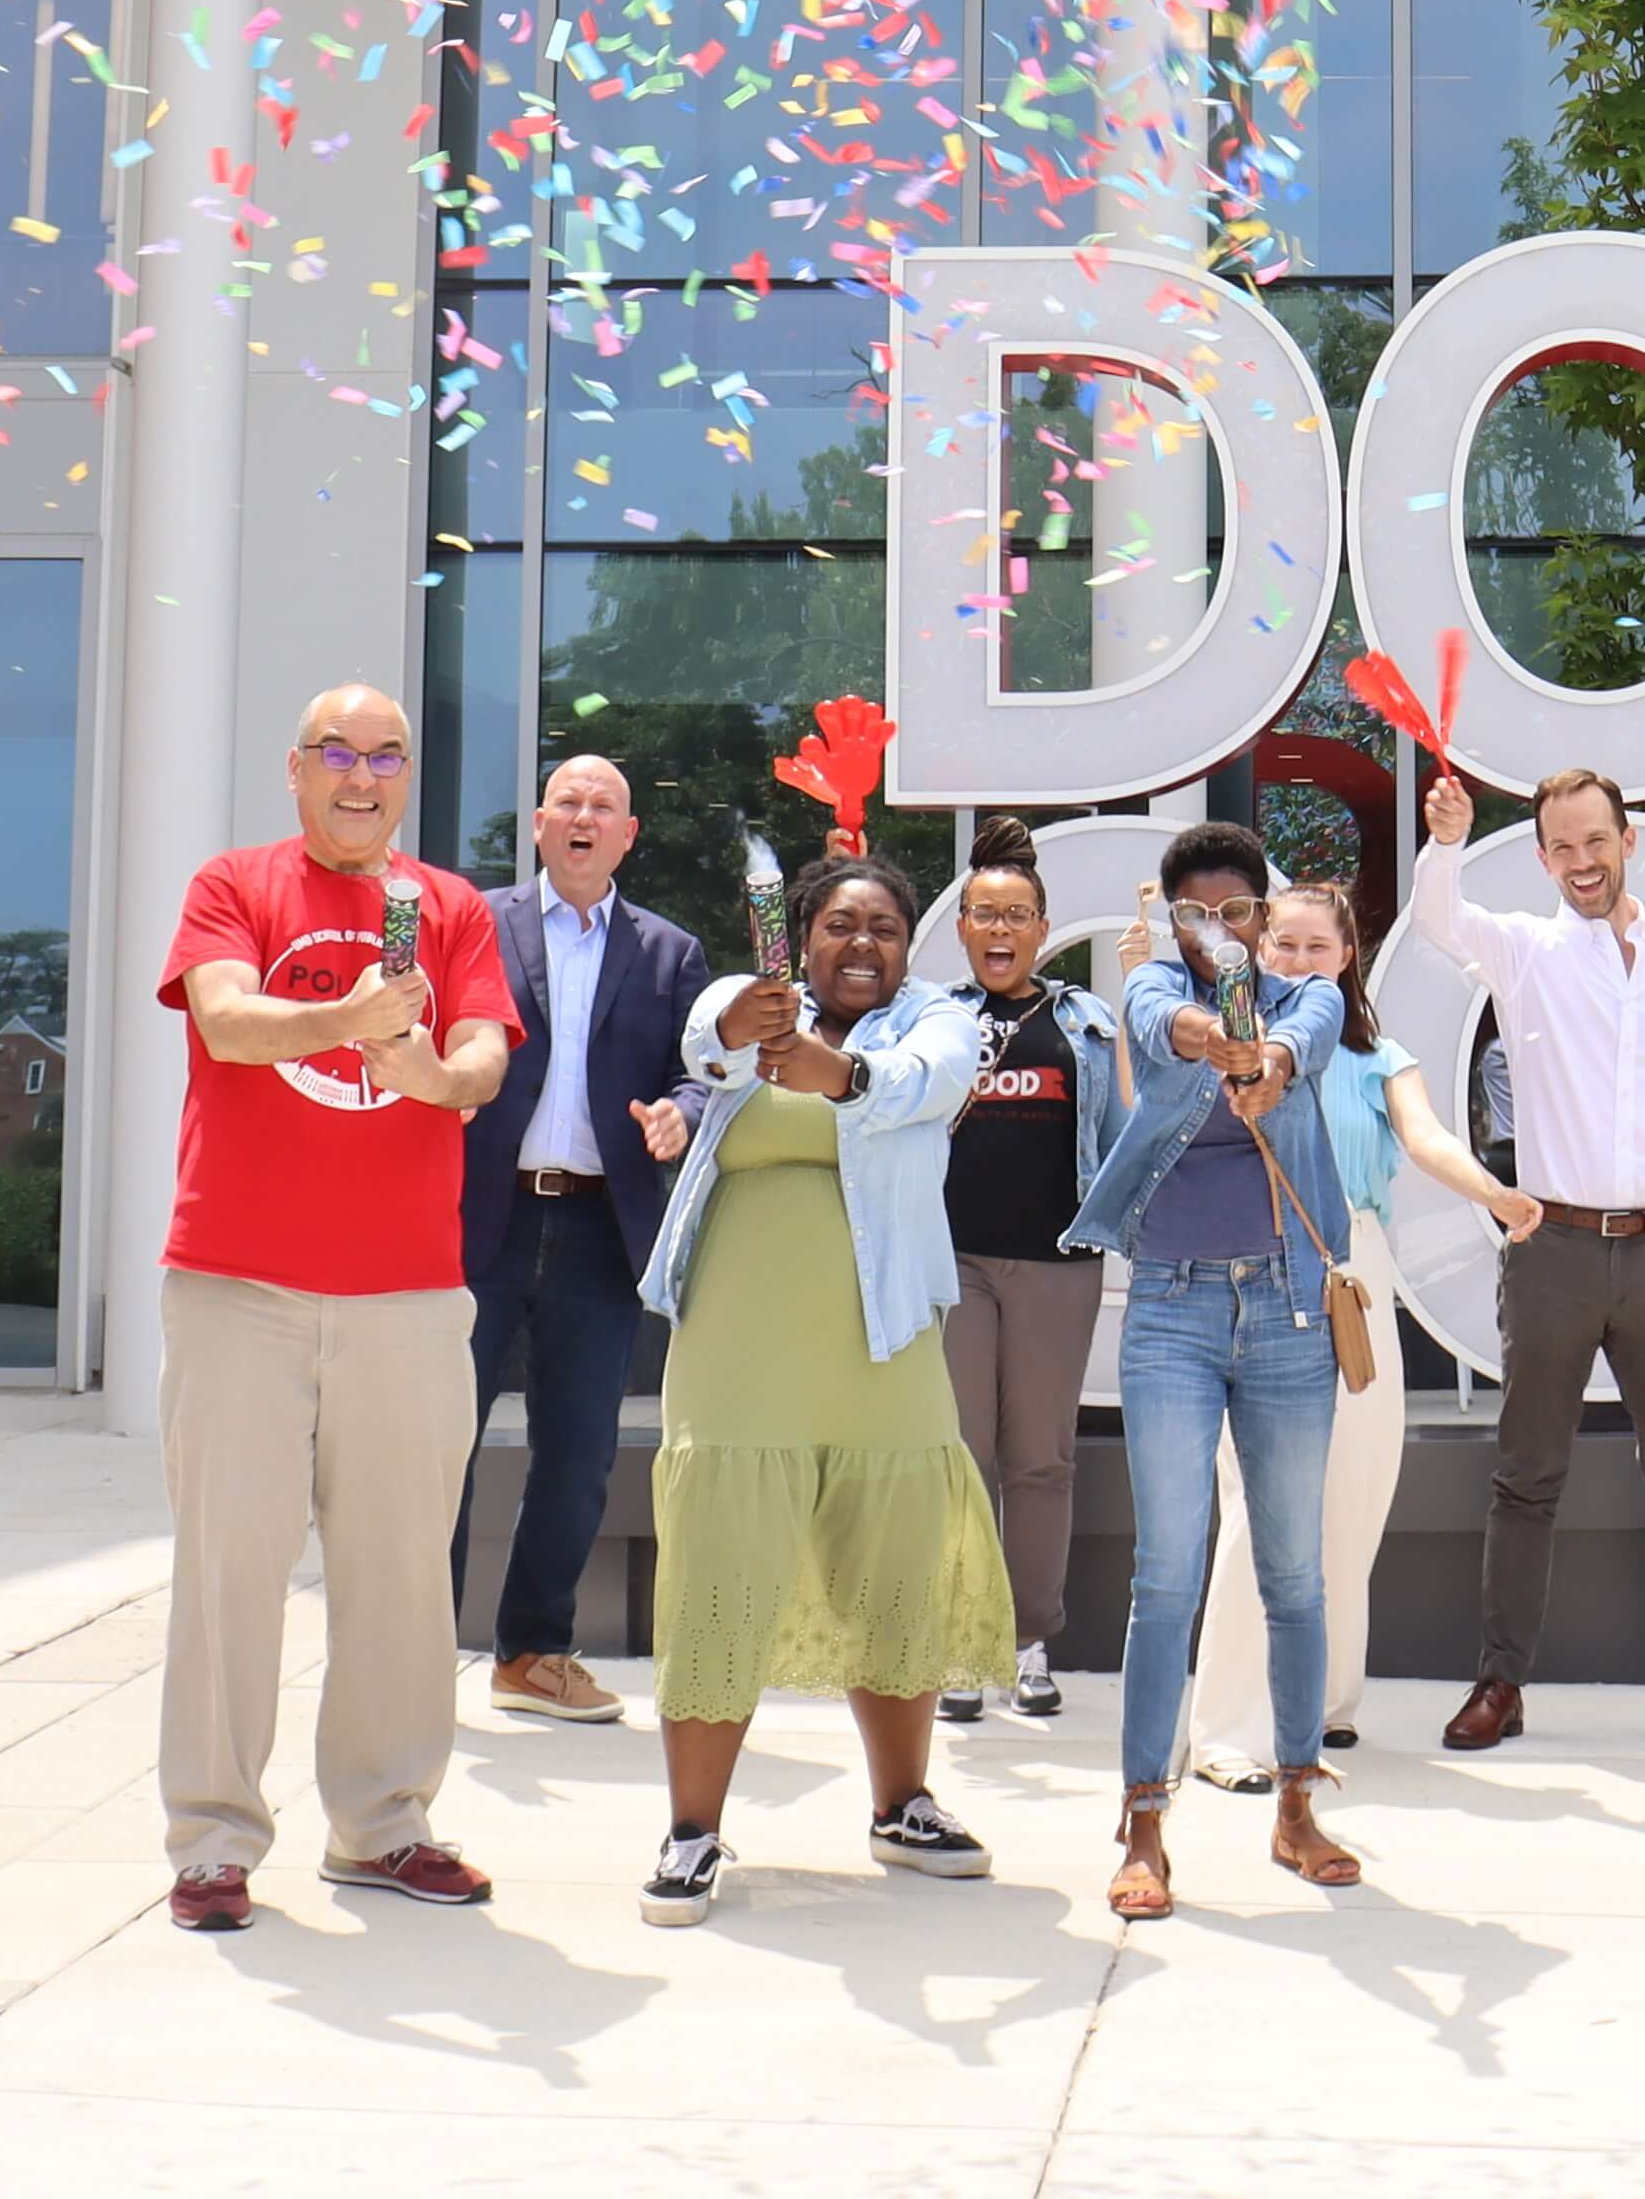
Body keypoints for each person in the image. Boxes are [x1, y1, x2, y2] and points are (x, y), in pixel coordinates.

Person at [151, 685, 519, 1933]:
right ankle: (211, 1839)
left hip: (408, 1294)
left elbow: (483, 1057)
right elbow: (227, 1019)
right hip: (236, 1284)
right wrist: (347, 1021)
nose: (362, 776)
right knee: (228, 1566)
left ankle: (384, 1824)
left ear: (406, 777)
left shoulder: (452, 906)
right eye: (338, 753)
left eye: (386, 755)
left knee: (404, 1570)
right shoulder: (233, 884)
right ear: (296, 768)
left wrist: (427, 1069)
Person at [633, 854, 1017, 1924]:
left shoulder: (938, 1020)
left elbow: (935, 1085)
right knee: (722, 1565)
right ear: (800, 937)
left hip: (884, 1340)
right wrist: (753, 1032)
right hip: (738, 1346)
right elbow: (704, 1042)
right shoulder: (750, 1007)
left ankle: (904, 1804)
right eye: (839, 923)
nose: (863, 942)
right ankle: (693, 1829)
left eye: (885, 926)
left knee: (896, 1560)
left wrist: (833, 1073)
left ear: (909, 944)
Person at [1412, 761, 1645, 1756]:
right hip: (1553, 1251)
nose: (1581, 860)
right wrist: (1447, 840)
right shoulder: (1526, 950)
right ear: (1542, 858)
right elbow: (1443, 920)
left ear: (1630, 842)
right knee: (1526, 1475)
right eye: (1561, 846)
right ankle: (1500, 1682)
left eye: (1595, 839)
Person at [1065, 821, 1364, 1917]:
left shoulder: (1300, 993)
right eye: (1202, 913)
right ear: (1177, 917)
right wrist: (1212, 1034)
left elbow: (1313, 1037)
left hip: (1289, 1309)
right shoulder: (1152, 986)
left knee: (1293, 1572)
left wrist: (1269, 1057)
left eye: (1242, 911)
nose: (1226, 930)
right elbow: (1161, 1021)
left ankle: (1295, 1803)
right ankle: (1144, 1819)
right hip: (1173, 1312)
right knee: (1165, 1574)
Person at [1186, 867, 1537, 1789]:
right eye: (1284, 944)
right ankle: (1226, 1730)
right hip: (1251, 1264)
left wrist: (1493, 1194)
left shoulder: (1383, 1059)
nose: (1300, 958)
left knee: (1354, 1493)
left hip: (1355, 1269)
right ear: (1259, 952)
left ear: (1348, 959)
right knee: (1253, 1505)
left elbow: (1425, 1138)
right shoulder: (1229, 1045)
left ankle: (1325, 1701)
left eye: (1318, 945)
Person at [460, 747, 712, 1730]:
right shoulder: (474, 924)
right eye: (567, 799)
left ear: (627, 835)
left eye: (603, 804)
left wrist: (681, 1113)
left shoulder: (668, 950)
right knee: (444, 1439)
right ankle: (417, 1643)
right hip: (482, 1216)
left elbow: (696, 1066)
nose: (584, 814)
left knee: (580, 1450)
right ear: (537, 823)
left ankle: (533, 1648)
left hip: (602, 1227)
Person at [932, 818, 1111, 1729]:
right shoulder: (929, 1021)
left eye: (1018, 916)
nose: (1000, 931)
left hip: (1057, 1264)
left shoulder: (1086, 1022)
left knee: (1040, 1461)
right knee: (961, 1458)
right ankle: (964, 1641)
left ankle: (1029, 1639)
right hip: (951, 1261)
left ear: (1044, 928)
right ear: (960, 926)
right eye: (983, 914)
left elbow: (1132, 1129)